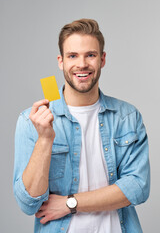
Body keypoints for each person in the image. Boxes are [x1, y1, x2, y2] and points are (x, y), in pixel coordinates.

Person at [13, 19, 150, 233]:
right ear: (61, 61)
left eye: (91, 55)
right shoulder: (31, 121)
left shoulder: (127, 117)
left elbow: (137, 188)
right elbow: (28, 203)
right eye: (73, 56)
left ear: (102, 59)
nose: (82, 64)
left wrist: (70, 203)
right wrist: (45, 139)